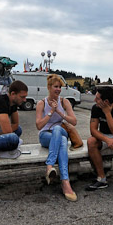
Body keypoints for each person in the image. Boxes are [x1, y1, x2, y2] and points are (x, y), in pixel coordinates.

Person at [36, 74, 78, 202]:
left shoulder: (64, 101)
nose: (58, 89)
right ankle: (65, 182)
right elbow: (39, 125)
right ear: (49, 87)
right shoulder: (41, 103)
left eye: (60, 87)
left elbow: (74, 121)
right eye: (56, 87)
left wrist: (60, 112)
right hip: (45, 136)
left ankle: (49, 166)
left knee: (58, 129)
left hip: (60, 131)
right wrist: (51, 112)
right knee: (63, 141)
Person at [86, 86, 113, 202]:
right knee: (91, 142)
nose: (95, 100)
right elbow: (93, 130)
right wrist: (106, 140)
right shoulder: (95, 108)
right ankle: (101, 178)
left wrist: (107, 113)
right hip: (105, 134)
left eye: (97, 98)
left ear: (105, 102)